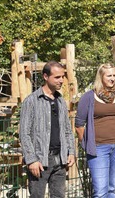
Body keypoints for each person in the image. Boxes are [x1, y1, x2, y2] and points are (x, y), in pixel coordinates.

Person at [19, 61, 75, 198]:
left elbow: (67, 129)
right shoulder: (31, 101)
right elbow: (24, 133)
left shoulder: (60, 101)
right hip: (40, 160)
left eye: (62, 77)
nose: (61, 80)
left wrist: (71, 152)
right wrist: (31, 159)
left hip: (60, 160)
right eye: (57, 77)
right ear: (45, 76)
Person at [75, 63, 115, 198]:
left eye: (114, 75)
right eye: (109, 75)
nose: (113, 78)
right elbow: (79, 124)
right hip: (98, 148)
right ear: (101, 77)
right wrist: (87, 144)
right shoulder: (89, 97)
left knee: (112, 188)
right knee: (100, 191)